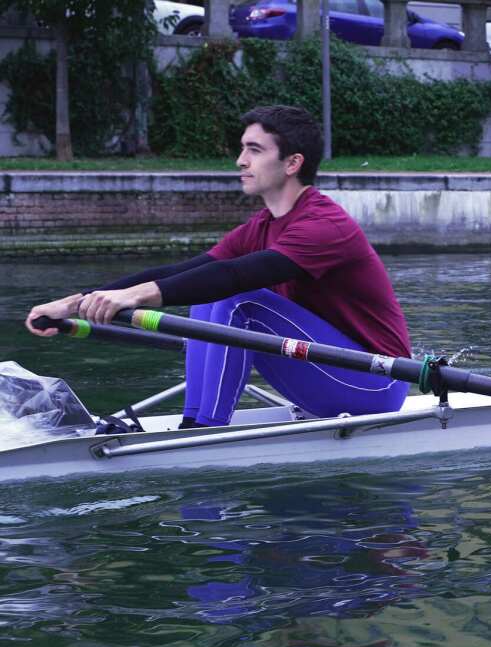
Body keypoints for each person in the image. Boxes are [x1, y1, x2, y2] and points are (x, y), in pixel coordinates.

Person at [25, 105, 411, 428]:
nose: (240, 161)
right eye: (243, 148)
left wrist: (134, 297)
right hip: (324, 375)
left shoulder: (325, 225)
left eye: (255, 150)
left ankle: (204, 430)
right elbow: (185, 273)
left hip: (375, 384)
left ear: (293, 162)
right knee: (204, 289)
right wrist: (75, 304)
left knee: (237, 296)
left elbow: (236, 276)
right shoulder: (260, 226)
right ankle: (192, 422)